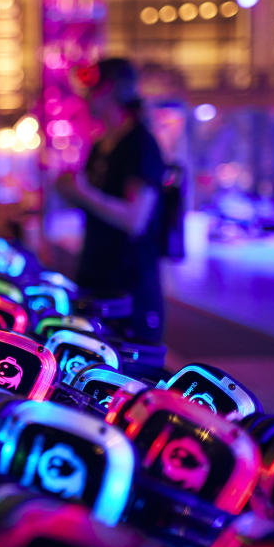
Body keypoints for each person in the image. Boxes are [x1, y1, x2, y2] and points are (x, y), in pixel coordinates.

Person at [57, 58, 166, 343]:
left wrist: (80, 193)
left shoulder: (140, 144)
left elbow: (135, 219)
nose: (86, 97)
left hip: (128, 291)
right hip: (95, 281)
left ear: (112, 90)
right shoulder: (100, 145)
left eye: (93, 88)